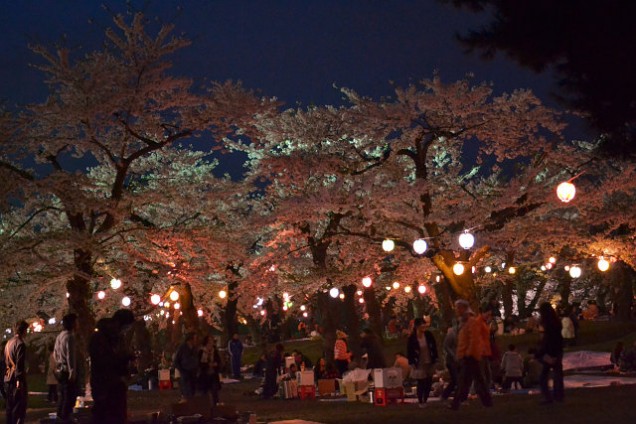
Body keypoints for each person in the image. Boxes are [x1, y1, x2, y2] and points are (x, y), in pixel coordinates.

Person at [89, 309, 136, 424]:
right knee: (107, 415)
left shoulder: (115, 337)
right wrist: (124, 359)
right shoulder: (101, 338)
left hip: (113, 384)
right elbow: (104, 361)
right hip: (105, 384)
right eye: (126, 327)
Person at [450, 300, 493, 410]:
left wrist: (468, 353)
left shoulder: (471, 321)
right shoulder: (465, 322)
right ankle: (487, 402)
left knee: (464, 380)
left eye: (457, 308)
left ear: (463, 308)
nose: (456, 310)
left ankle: (456, 404)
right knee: (476, 380)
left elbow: (473, 339)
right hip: (469, 355)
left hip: (470, 356)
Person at [407, 317, 438, 408]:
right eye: (421, 324)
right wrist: (412, 361)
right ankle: (421, 400)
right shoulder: (412, 338)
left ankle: (425, 399)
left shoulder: (428, 335)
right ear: (417, 326)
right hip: (419, 362)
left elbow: (434, 347)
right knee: (421, 382)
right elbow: (410, 351)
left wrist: (435, 358)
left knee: (428, 381)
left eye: (424, 324)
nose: (423, 326)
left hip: (429, 360)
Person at [54, 313, 79, 423]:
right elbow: (70, 356)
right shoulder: (70, 337)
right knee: (69, 396)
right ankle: (65, 418)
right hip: (67, 371)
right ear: (72, 323)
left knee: (62, 396)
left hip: (60, 369)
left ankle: (60, 416)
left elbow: (55, 353)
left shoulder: (60, 336)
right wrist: (72, 371)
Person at [537, 302, 564, 404]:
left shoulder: (548, 325)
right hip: (557, 351)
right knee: (557, 375)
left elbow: (547, 340)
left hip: (550, 352)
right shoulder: (556, 323)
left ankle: (548, 397)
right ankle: (558, 396)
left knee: (544, 376)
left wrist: (543, 352)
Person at [4, 320, 29, 424]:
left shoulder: (8, 343)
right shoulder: (20, 344)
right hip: (16, 379)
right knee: (19, 407)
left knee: (9, 407)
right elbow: (20, 363)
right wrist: (19, 379)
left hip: (7, 377)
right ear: (23, 330)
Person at [173, 332, 199, 402]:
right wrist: (182, 370)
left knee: (193, 391)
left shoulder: (194, 348)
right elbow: (176, 361)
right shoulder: (182, 348)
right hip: (185, 373)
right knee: (187, 391)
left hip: (193, 373)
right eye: (195, 339)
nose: (196, 340)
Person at [198, 335, 222, 406]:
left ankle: (216, 406)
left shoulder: (214, 350)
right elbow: (199, 363)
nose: (211, 342)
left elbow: (218, 360)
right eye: (210, 341)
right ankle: (204, 406)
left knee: (214, 391)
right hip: (204, 374)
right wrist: (207, 365)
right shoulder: (202, 351)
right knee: (204, 392)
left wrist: (216, 364)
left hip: (213, 373)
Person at [440, 322, 459, 401]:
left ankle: (445, 395)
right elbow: (446, 346)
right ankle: (446, 395)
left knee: (457, 380)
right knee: (456, 379)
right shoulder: (452, 333)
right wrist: (453, 355)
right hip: (451, 361)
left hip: (460, 359)